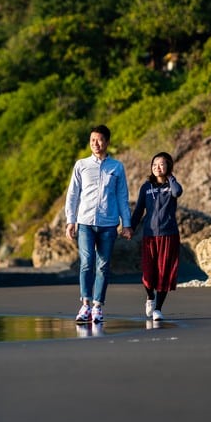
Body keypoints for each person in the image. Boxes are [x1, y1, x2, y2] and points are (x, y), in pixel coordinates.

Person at [64, 125, 133, 324]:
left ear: (107, 142)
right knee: (86, 263)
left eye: (100, 139)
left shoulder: (117, 167)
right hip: (85, 222)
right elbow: (73, 195)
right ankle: (85, 305)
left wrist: (126, 224)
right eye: (93, 140)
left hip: (109, 224)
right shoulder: (81, 165)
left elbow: (122, 196)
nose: (96, 143)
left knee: (103, 266)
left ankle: (97, 307)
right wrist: (71, 221)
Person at [129, 152, 183, 322]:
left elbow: (178, 192)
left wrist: (170, 177)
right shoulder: (146, 187)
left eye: (161, 164)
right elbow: (139, 210)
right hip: (149, 235)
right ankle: (150, 298)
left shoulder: (171, 185)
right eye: (154, 165)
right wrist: (130, 228)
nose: (157, 167)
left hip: (169, 234)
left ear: (168, 166)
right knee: (147, 273)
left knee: (164, 273)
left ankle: (158, 309)